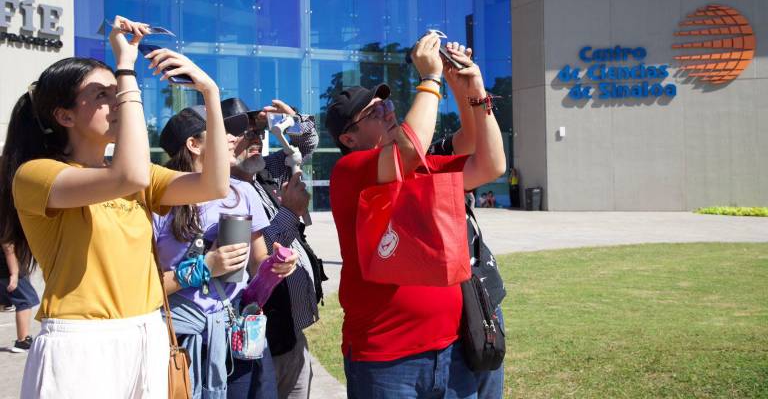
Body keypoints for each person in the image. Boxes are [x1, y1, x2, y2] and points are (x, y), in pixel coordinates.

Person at [0, 16, 231, 398]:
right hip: (81, 343)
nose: (120, 101)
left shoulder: (131, 172)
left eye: (119, 91)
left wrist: (209, 92)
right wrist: (125, 68)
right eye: (103, 95)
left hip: (147, 332)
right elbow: (129, 177)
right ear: (65, 116)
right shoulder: (37, 174)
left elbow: (214, 184)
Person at [325, 32, 506, 398]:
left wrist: (474, 91)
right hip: (386, 360)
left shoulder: (419, 167)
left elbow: (490, 164)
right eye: (374, 112)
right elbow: (409, 149)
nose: (388, 110)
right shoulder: (350, 170)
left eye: (387, 105)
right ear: (349, 138)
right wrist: (430, 79)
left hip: (452, 349)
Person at [153, 105, 298, 399]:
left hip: (233, 336)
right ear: (193, 145)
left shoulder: (241, 193)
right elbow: (142, 290)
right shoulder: (157, 201)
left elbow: (257, 264)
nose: (234, 138)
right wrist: (204, 268)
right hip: (176, 338)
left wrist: (276, 266)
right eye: (223, 132)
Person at [223, 98, 322, 399]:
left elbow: (305, 144)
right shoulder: (222, 196)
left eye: (258, 132)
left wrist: (293, 120)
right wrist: (290, 213)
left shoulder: (263, 174)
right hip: (254, 348)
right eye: (244, 133)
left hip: (290, 339)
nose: (255, 138)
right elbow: (245, 264)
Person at [429, 42, 508, 399]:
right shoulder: (391, 169)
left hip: (479, 293)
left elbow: (474, 142)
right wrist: (433, 80)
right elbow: (487, 162)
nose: (390, 114)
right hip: (442, 311)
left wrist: (466, 86)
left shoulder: (432, 156)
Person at [1, 242, 39, 352]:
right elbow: (8, 247)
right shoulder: (7, 225)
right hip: (9, 269)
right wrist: (14, 273)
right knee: (25, 301)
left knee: (5, 302)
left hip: (4, 269)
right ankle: (23, 341)